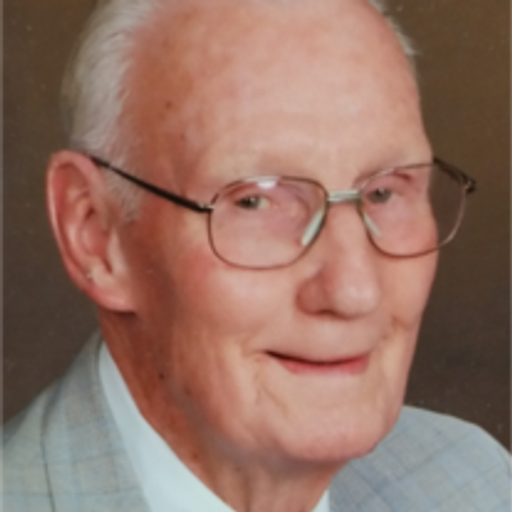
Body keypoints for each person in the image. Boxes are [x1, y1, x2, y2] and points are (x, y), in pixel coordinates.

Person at [0, 0, 510, 510]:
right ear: (95, 232)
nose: (354, 291)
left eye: (383, 192)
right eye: (254, 201)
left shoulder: (476, 482)